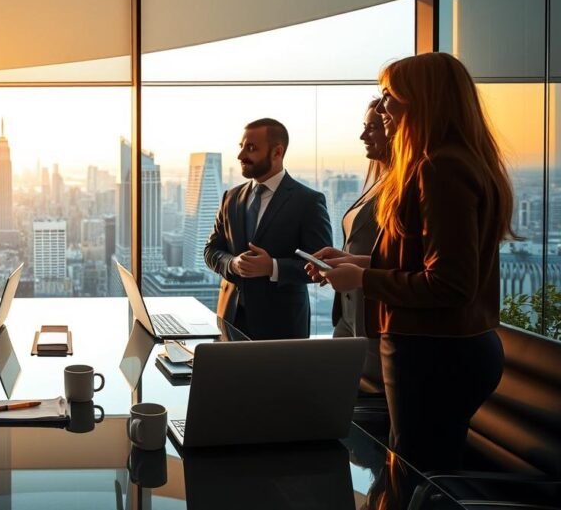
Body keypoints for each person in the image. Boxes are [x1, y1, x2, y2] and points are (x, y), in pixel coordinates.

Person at [311, 52, 512, 471]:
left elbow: (450, 285)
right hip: (447, 350)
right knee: (421, 470)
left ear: (424, 100)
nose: (382, 107)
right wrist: (356, 263)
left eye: (389, 96)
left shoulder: (437, 169)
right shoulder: (458, 162)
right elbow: (427, 263)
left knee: (414, 474)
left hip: (433, 353)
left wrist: (364, 279)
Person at [204, 118, 333, 340]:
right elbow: (211, 251)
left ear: (277, 153)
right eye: (241, 147)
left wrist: (272, 267)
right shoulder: (231, 197)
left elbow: (322, 266)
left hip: (282, 327)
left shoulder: (308, 202)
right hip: (231, 319)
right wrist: (233, 264)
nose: (241, 155)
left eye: (251, 148)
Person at [333, 99, 390, 389]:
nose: (363, 136)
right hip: (348, 313)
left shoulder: (405, 185)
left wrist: (356, 270)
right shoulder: (379, 181)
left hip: (374, 318)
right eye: (364, 127)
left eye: (373, 128)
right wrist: (341, 259)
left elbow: (403, 261)